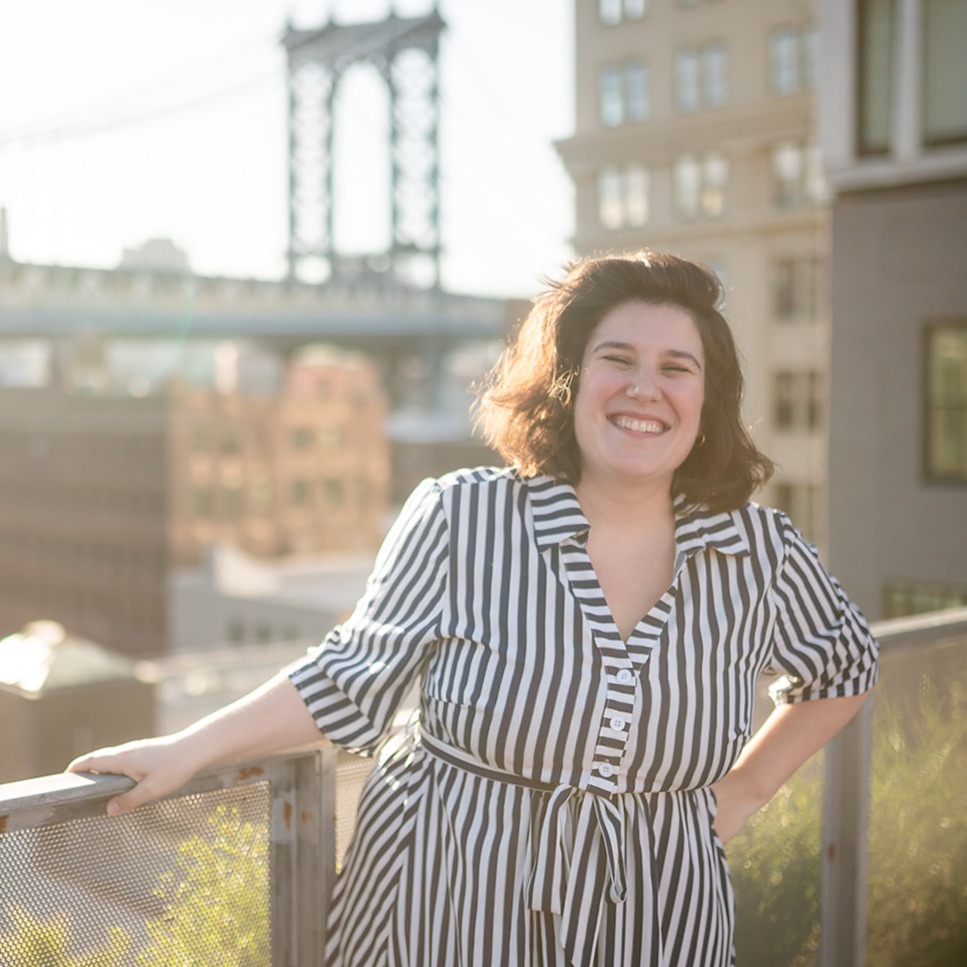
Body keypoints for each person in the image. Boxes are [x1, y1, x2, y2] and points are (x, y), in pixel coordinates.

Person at [69, 251, 878, 967]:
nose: (644, 388)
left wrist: (743, 790)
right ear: (567, 380)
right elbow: (350, 678)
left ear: (708, 397)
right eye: (616, 358)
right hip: (451, 905)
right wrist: (186, 748)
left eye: (677, 366)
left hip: (660, 920)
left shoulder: (759, 550)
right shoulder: (463, 516)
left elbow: (843, 664)